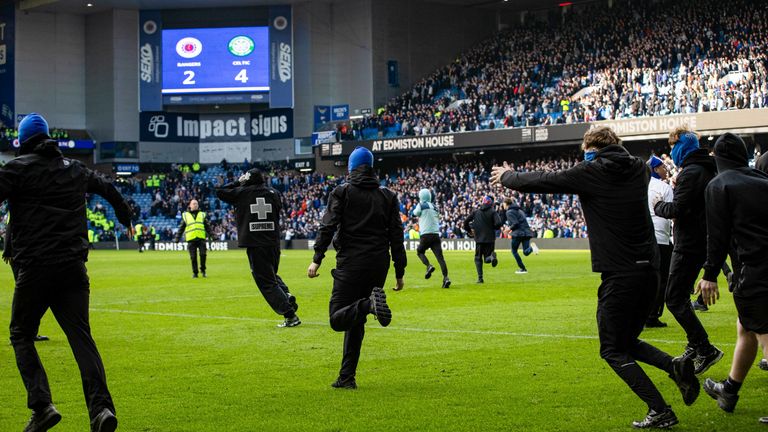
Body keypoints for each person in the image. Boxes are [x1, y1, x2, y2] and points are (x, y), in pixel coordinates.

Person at [491, 126, 699, 428]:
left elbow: (547, 180)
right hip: (650, 270)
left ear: (591, 149)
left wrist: (508, 176)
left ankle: (660, 409)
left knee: (612, 349)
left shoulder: (592, 171)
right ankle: (675, 366)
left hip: (621, 271)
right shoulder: (638, 169)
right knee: (626, 340)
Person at [2, 113, 132, 432]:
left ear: (22, 140)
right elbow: (109, 189)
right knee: (80, 337)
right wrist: (124, 214)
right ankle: (101, 409)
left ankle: (42, 406)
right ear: (48, 138)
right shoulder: (74, 168)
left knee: (21, 334)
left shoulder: (17, 169)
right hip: (73, 268)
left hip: (35, 267)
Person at [307, 147, 407, 389]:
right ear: (372, 168)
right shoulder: (388, 196)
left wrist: (317, 257)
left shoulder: (342, 192)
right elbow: (397, 234)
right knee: (356, 320)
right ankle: (346, 377)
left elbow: (327, 226)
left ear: (351, 167)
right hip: (378, 264)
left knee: (336, 318)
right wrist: (400, 271)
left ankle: (369, 304)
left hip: (351, 263)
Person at [694, 133, 768, 424]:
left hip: (754, 268)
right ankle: (730, 390)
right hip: (761, 266)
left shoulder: (719, 185)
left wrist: (710, 274)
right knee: (746, 327)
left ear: (718, 157)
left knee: (763, 330)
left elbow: (718, 236)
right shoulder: (763, 180)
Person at [653, 127, 723, 374]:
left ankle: (704, 347)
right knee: (678, 297)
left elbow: (677, 209)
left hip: (688, 243)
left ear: (682, 146)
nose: (671, 152)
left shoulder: (691, 173)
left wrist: (658, 206)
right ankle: (696, 345)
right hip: (700, 240)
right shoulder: (707, 168)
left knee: (673, 297)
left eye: (673, 146)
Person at [215, 168, 300, 328]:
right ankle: (286, 295)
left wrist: (238, 182)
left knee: (265, 282)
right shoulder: (274, 193)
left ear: (248, 179)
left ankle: (290, 315)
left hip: (255, 242)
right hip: (273, 242)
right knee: (271, 275)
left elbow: (220, 191)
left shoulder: (242, 192)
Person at [646, 156, 674, 328]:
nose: (666, 169)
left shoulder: (640, 185)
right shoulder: (664, 187)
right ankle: (653, 315)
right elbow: (672, 211)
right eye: (663, 166)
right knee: (662, 278)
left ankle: (640, 313)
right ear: (656, 169)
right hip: (661, 238)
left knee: (645, 278)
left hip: (644, 238)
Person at [412, 188, 450, 288]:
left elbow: (415, 213)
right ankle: (446, 278)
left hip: (425, 235)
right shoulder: (435, 206)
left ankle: (429, 266)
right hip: (436, 235)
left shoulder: (421, 205)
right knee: (441, 258)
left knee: (419, 252)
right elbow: (438, 217)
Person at [463, 195, 503, 283]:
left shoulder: (476, 212)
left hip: (479, 240)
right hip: (490, 239)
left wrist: (469, 230)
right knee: (487, 258)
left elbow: (465, 222)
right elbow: (499, 223)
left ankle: (480, 278)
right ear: (491, 203)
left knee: (478, 258)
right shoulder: (493, 212)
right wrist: (493, 227)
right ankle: (492, 257)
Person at [175, 199, 211, 278]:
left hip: (201, 238)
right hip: (191, 239)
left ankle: (203, 270)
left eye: (196, 204)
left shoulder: (202, 215)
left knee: (203, 254)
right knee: (193, 257)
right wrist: (177, 238)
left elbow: (207, 227)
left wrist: (213, 235)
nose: (195, 205)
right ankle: (195, 273)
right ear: (190, 205)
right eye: (194, 204)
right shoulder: (186, 215)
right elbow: (181, 228)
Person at [502, 197, 538, 274]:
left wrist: (508, 229)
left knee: (514, 251)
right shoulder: (519, 210)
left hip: (518, 233)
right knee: (526, 252)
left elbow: (515, 223)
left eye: (503, 204)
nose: (503, 205)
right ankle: (531, 248)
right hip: (526, 233)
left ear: (506, 204)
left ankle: (523, 268)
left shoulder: (509, 212)